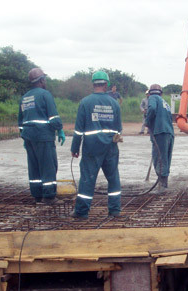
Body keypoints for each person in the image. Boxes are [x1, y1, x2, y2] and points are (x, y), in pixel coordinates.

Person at [70, 71, 122, 219]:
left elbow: (79, 130)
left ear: (94, 84)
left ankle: (81, 212)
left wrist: (75, 148)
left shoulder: (85, 102)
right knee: (113, 178)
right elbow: (119, 129)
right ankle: (115, 210)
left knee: (87, 179)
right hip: (111, 146)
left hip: (92, 147)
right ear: (106, 85)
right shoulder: (114, 103)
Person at [18, 68, 65, 205]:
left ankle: (37, 195)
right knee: (48, 166)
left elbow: (21, 121)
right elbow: (54, 117)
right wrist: (60, 130)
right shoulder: (45, 95)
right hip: (43, 137)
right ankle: (49, 196)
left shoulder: (25, 97)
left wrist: (24, 135)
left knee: (34, 166)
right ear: (41, 80)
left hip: (28, 137)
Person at [145, 84, 174, 193]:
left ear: (150, 93)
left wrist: (147, 122)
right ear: (161, 93)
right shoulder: (165, 103)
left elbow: (151, 108)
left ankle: (162, 186)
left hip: (160, 132)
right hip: (169, 133)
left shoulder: (153, 98)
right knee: (166, 158)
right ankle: (164, 184)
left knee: (159, 158)